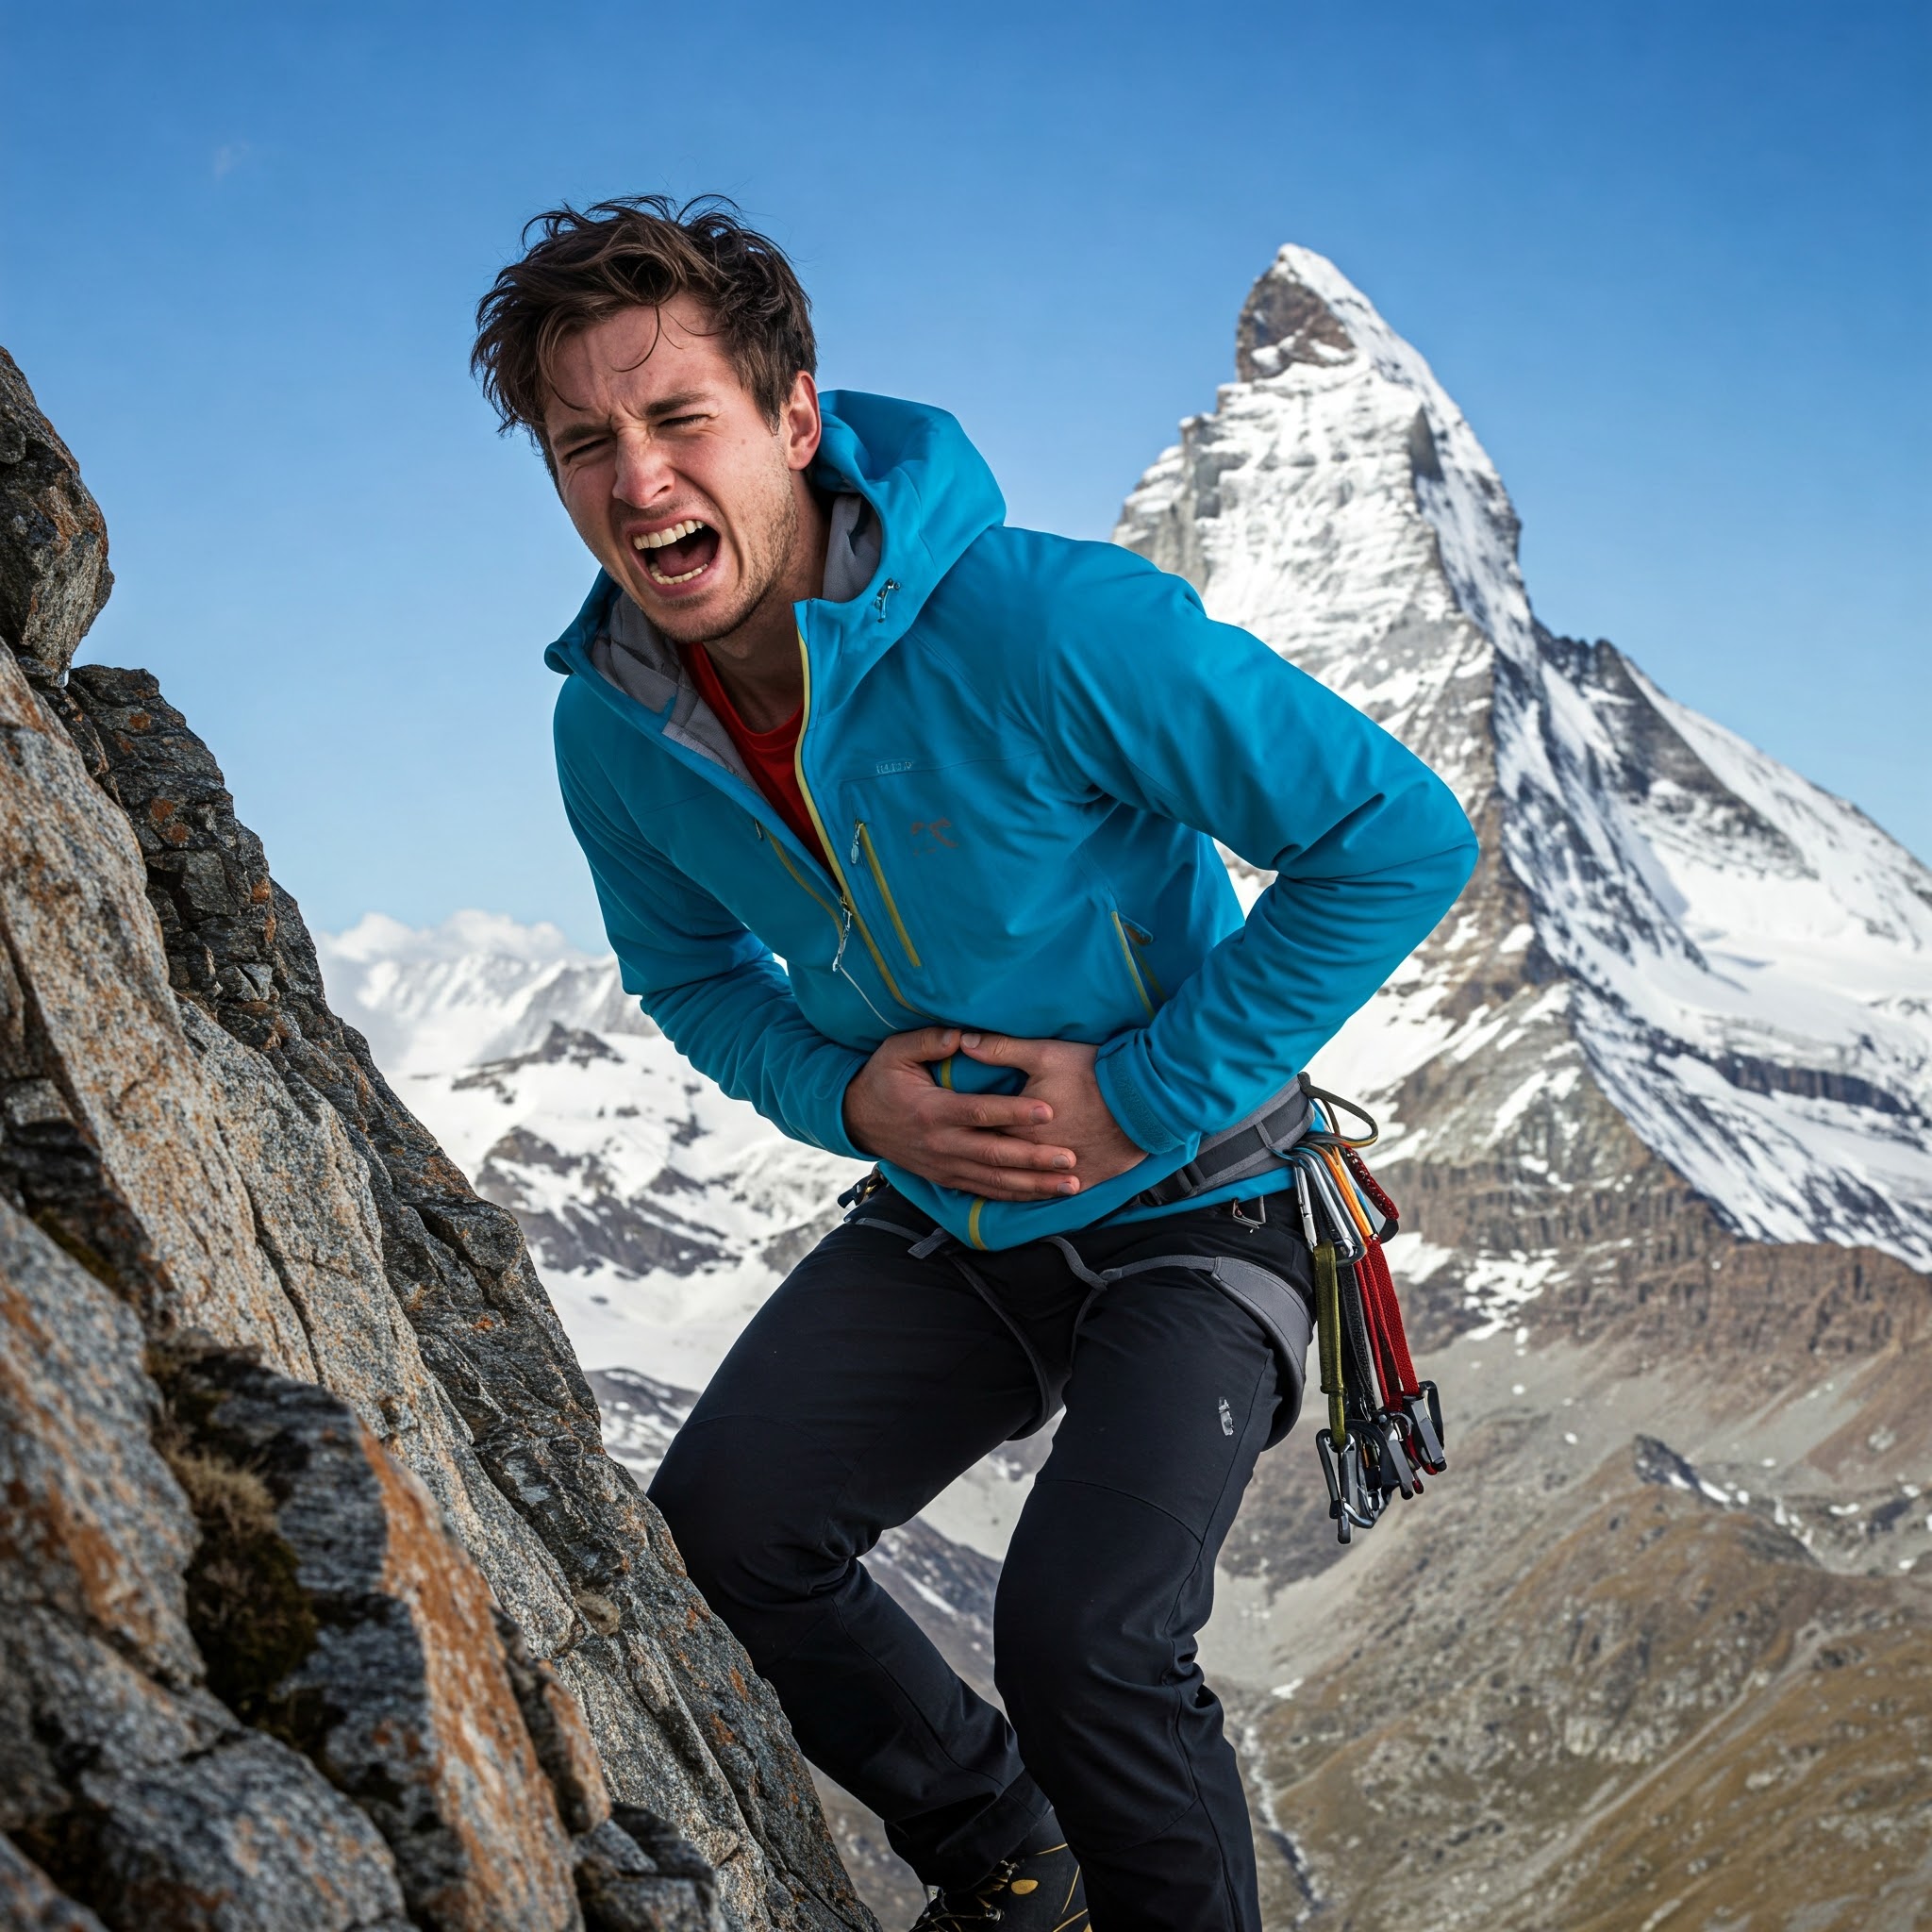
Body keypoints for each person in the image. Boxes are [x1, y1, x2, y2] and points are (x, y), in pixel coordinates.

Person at [472, 195, 1476, 1931]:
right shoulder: (614, 727)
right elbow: (688, 972)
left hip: (1205, 1201)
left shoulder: (1046, 624)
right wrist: (846, 1098)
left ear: (796, 417)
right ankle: (1013, 1857)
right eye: (584, 444)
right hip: (952, 1218)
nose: (636, 480)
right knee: (727, 1535)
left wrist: (1141, 1093)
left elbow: (1398, 837)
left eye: (679, 417)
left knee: (1087, 1638)